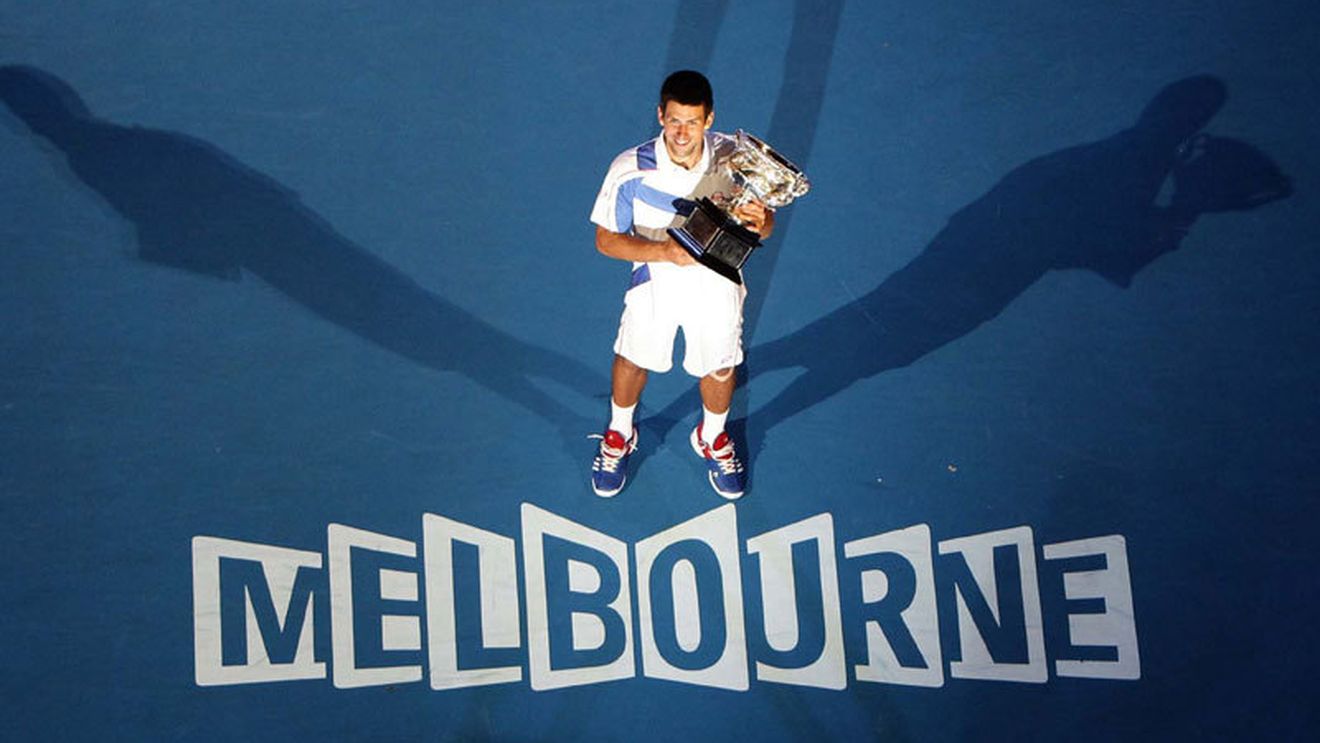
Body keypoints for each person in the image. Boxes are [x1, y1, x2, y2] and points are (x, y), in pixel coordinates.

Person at [588, 70, 773, 499]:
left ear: (709, 119)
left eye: (692, 121)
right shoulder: (629, 169)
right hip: (655, 277)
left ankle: (712, 436)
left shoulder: (735, 159)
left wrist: (763, 224)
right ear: (660, 116)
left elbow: (762, 225)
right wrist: (665, 253)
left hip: (719, 278)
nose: (681, 133)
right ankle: (619, 433)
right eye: (673, 121)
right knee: (634, 358)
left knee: (721, 365)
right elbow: (605, 240)